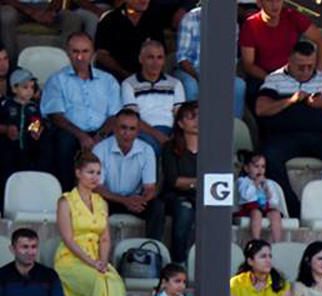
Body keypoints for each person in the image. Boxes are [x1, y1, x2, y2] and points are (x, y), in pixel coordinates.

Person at [255, 40, 322, 218]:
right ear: (289, 61)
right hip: (285, 137)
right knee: (269, 157)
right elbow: (261, 108)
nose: (305, 72)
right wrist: (290, 101)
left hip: (321, 137)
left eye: (310, 67)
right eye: (300, 67)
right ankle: (293, 208)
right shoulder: (275, 79)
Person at [41, 31, 122, 191]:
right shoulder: (57, 80)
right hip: (71, 132)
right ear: (67, 52)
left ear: (92, 52)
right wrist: (82, 136)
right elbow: (56, 115)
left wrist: (100, 136)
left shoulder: (108, 80)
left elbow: (115, 115)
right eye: (75, 51)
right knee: (64, 142)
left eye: (85, 51)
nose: (80, 57)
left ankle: (112, 196)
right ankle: (66, 192)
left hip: (102, 132)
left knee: (119, 140)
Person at [53, 150, 127, 296]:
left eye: (98, 173)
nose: (95, 177)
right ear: (78, 173)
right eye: (90, 172)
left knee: (115, 281)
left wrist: (102, 261)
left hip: (96, 258)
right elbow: (68, 239)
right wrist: (92, 263)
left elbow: (105, 238)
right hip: (70, 259)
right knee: (98, 281)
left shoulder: (101, 202)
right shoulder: (66, 201)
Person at [92, 107, 164, 242]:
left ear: (138, 131)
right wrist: (125, 201)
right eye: (123, 128)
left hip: (135, 200)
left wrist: (142, 200)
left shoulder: (147, 150)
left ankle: (152, 249)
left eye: (132, 129)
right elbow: (97, 187)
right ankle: (96, 252)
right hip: (109, 199)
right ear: (114, 128)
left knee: (157, 207)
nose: (127, 133)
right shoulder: (100, 149)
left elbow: (150, 187)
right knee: (95, 203)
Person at [240, 0, 322, 95]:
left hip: (294, 73)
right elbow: (248, 65)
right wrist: (272, 79)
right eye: (270, 1)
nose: (275, 5)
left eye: (278, 0)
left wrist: (315, 74)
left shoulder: (292, 16)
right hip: (263, 76)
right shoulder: (250, 25)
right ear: (259, 3)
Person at [176, 2, 247, 117]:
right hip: (190, 70)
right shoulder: (190, 18)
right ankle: (193, 126)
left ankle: (233, 127)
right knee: (191, 86)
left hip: (217, 72)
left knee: (239, 85)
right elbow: (183, 58)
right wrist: (201, 77)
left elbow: (231, 60)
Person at [119, 38, 184, 154]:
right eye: (150, 57)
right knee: (149, 146)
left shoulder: (175, 84)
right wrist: (160, 136)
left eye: (159, 58)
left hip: (170, 130)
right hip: (143, 131)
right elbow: (132, 119)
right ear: (141, 59)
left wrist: (174, 136)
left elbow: (180, 116)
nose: (155, 62)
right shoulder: (129, 84)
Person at [94, 0, 171, 81]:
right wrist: (124, 73)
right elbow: (102, 55)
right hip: (115, 79)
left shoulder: (154, 19)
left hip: (146, 79)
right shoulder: (110, 19)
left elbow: (161, 51)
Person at [0, 68, 50, 191]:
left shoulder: (33, 107)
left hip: (29, 151)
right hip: (9, 150)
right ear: (14, 89)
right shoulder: (6, 105)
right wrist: (6, 129)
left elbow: (37, 123)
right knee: (7, 178)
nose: (29, 91)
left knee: (26, 177)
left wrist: (36, 130)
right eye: (25, 87)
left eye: (32, 87)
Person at [0, 1, 98, 62]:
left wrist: (51, 10)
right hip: (17, 7)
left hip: (46, 6)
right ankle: (10, 65)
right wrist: (32, 12)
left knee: (73, 19)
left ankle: (64, 63)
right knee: (6, 15)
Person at [161, 101, 198, 263]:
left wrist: (194, 183)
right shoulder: (170, 147)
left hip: (204, 196)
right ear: (180, 123)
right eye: (191, 117)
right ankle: (179, 262)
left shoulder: (212, 146)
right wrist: (199, 182)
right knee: (184, 209)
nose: (198, 121)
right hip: (176, 196)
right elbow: (173, 180)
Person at [235, 150, 285, 243]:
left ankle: (277, 242)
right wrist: (255, 184)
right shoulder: (243, 181)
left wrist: (267, 191)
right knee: (256, 213)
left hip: (266, 207)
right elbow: (246, 196)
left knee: (276, 214)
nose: (260, 170)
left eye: (263, 167)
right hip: (250, 208)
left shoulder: (268, 183)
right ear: (246, 168)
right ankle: (256, 241)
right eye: (256, 166)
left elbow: (274, 201)